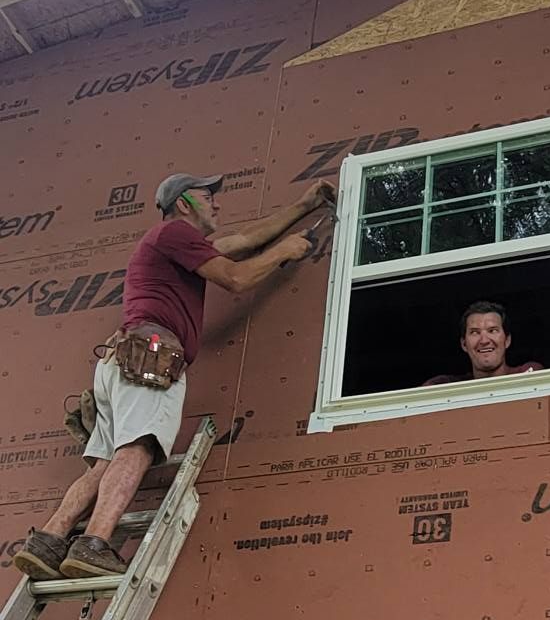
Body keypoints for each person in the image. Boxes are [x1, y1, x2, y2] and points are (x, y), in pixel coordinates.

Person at [14, 171, 334, 583]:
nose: (217, 203)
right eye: (207, 196)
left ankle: (49, 540)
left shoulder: (178, 244)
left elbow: (242, 243)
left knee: (104, 464)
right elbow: (235, 277)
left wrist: (303, 206)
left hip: (121, 360)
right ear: (183, 204)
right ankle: (94, 543)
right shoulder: (173, 234)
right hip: (151, 356)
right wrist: (284, 252)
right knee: (137, 449)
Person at [425, 301, 542, 386]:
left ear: (507, 340)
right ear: (464, 344)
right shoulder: (448, 385)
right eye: (475, 332)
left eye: (492, 331)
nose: (484, 340)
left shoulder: (526, 373)